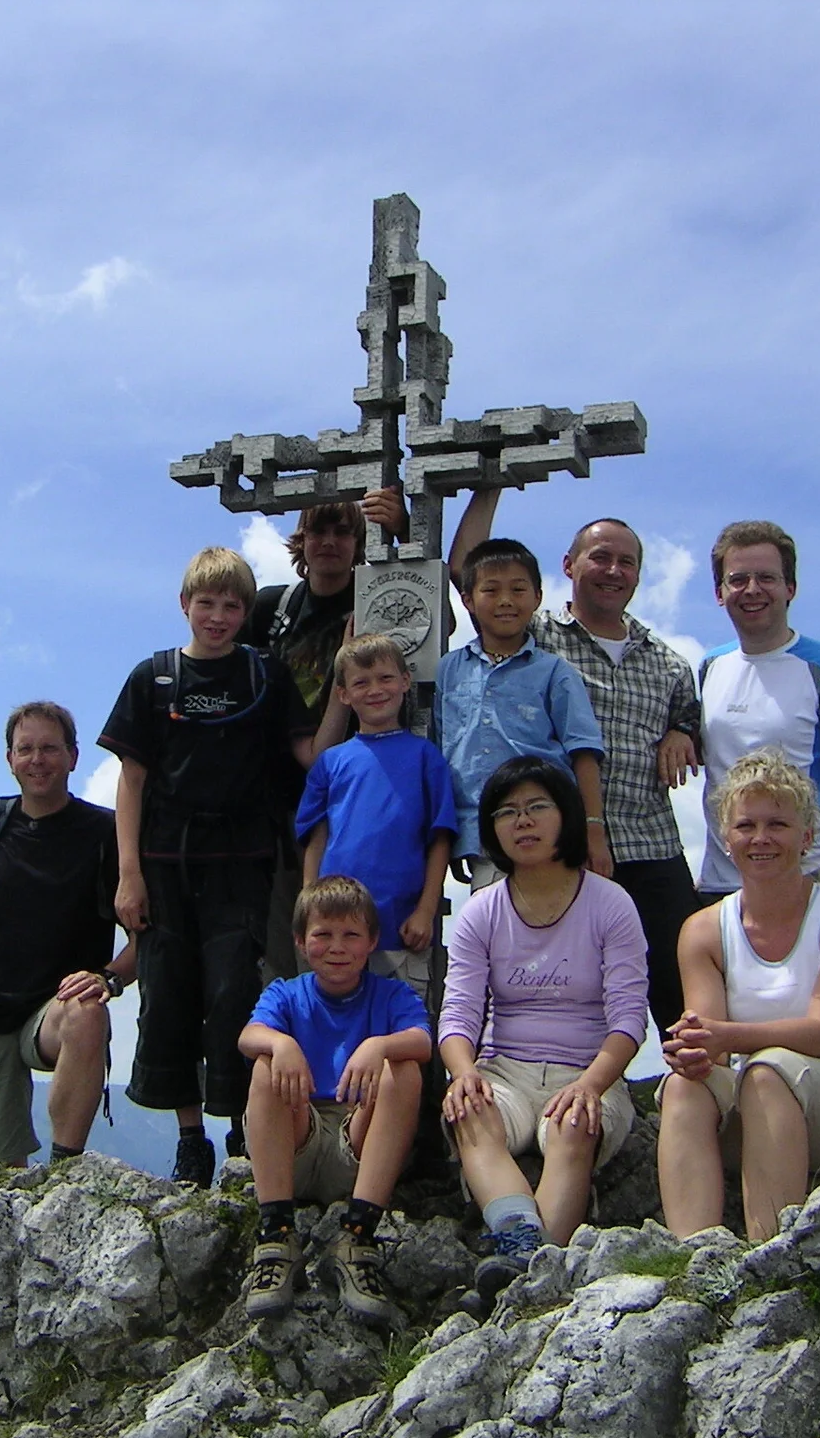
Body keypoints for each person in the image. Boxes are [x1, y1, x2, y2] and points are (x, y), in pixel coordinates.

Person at [98, 547, 339, 1188]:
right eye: (207, 603)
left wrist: (342, 690)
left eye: (233, 604)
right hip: (164, 862)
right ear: (185, 605)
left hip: (242, 861)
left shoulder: (264, 676)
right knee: (169, 992)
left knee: (235, 990)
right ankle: (189, 1138)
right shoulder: (153, 678)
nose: (219, 615)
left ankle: (238, 1124)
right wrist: (128, 874)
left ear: (245, 612)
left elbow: (308, 753)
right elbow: (132, 781)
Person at [449, 494, 703, 1037]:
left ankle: (697, 1093)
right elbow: (470, 569)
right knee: (557, 979)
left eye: (626, 561)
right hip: (562, 844)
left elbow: (695, 722)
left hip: (649, 839)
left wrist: (682, 732)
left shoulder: (670, 662)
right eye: (599, 557)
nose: (613, 570)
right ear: (568, 567)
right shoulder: (539, 635)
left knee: (679, 982)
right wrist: (491, 482)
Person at [656, 749, 820, 1243]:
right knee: (685, 1085)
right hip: (758, 1110)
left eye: (778, 824)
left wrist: (726, 1035)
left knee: (769, 1071)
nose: (761, 838)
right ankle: (694, 1257)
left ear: (807, 837)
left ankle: (768, 1255)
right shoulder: (703, 931)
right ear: (727, 840)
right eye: (746, 825)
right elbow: (713, 1049)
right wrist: (693, 1046)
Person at [439, 757, 649, 1307]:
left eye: (537, 807)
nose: (523, 822)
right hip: (504, 1069)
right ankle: (521, 1241)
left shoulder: (611, 904)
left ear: (566, 817)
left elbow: (629, 1017)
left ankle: (532, 1276)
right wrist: (463, 1073)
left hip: (588, 1071)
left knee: (574, 1126)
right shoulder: (481, 911)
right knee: (469, 1110)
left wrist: (592, 1085)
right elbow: (458, 1013)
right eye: (507, 812)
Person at [0, 701, 134, 1167]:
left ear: (74, 757)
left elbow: (148, 935)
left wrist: (109, 978)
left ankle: (66, 1167)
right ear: (9, 759)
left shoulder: (107, 834)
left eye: (50, 748)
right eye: (26, 749)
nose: (38, 760)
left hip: (51, 1011)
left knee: (87, 1010)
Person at [238, 876, 432, 1327]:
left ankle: (357, 1235)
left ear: (372, 942)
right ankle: (276, 1237)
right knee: (266, 1064)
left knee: (403, 1069)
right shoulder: (286, 993)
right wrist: (282, 1044)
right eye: (323, 935)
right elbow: (249, 1036)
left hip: (356, 1142)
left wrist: (378, 1046)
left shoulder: (392, 994)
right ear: (301, 943)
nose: (337, 947)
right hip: (297, 1142)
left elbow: (422, 1042)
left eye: (351, 935)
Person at [248, 493, 408, 984]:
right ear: (302, 539)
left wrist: (402, 533)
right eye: (319, 532)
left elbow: (428, 611)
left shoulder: (375, 598)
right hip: (272, 799)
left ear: (359, 541)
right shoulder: (270, 607)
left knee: (349, 938)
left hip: (353, 801)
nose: (329, 543)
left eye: (343, 532)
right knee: (281, 942)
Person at [698, 520, 820, 897]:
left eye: (766, 578)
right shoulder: (710, 667)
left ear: (790, 588)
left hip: (808, 879)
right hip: (722, 885)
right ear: (720, 592)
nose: (752, 590)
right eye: (738, 579)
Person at [295, 632, 457, 1001]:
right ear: (344, 694)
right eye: (361, 683)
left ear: (405, 681)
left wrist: (426, 910)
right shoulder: (331, 762)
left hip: (401, 925)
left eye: (385, 678)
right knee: (334, 1025)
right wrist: (309, 906)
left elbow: (440, 838)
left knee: (403, 1029)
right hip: (335, 927)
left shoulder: (426, 757)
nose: (375, 690)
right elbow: (315, 837)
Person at [436, 538, 606, 891]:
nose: (506, 601)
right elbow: (440, 751)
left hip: (548, 832)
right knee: (497, 932)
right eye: (491, 590)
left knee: (553, 933)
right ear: (467, 599)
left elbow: (584, 751)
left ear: (537, 597)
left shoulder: (554, 672)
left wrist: (593, 828)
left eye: (518, 589)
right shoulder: (448, 670)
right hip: (481, 834)